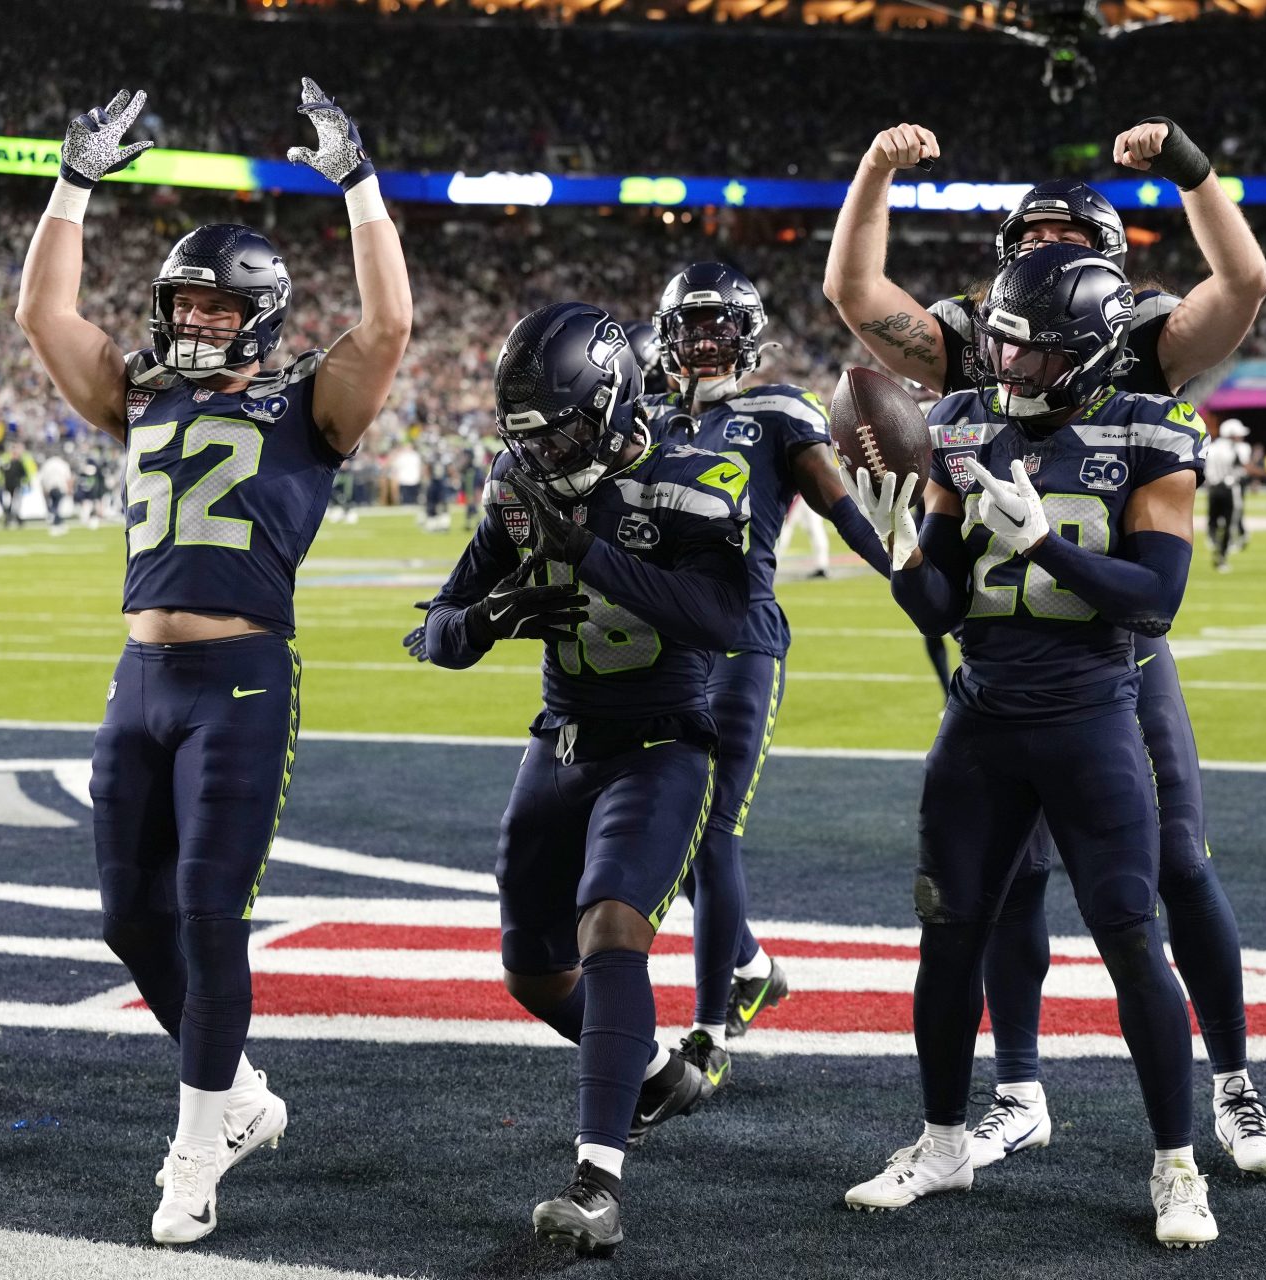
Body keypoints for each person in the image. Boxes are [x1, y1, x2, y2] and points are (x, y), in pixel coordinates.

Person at [824, 121, 1266, 1180]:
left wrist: (1193, 170)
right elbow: (855, 295)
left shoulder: (1141, 347)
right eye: (1024, 240)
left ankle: (1231, 1082)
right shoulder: (976, 350)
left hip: (1113, 657)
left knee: (1170, 866)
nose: (1039, 258)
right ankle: (1018, 1093)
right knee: (1006, 883)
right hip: (999, 660)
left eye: (1062, 240)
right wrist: (876, 169)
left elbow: (1246, 281)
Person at [14, 80, 411, 1243]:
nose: (189, 321)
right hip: (137, 680)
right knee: (127, 921)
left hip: (240, 681)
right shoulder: (135, 391)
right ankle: (236, 1096)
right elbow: (45, 315)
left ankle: (194, 1151)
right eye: (178, 301)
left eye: (209, 306)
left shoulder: (309, 406)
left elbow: (387, 329)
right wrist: (73, 184)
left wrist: (360, 185)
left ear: (261, 316)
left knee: (205, 913)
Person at [839, 244, 1224, 1246]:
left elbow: (1159, 600)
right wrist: (899, 544)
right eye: (1002, 344)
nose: (1006, 365)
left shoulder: (1151, 426)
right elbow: (937, 603)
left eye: (1032, 351)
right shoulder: (963, 421)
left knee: (1133, 935)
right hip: (982, 716)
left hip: (1093, 715)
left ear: (1091, 354)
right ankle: (943, 1139)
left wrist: (1047, 543)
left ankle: (1178, 1164)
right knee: (948, 928)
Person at [423, 303, 751, 1258]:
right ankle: (652, 1071)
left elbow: (726, 619)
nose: (544, 449)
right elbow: (437, 630)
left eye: (561, 426)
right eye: (527, 433)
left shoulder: (699, 479)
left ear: (613, 400)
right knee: (532, 970)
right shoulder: (516, 484)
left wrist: (591, 553)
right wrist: (490, 619)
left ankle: (599, 1182)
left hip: (665, 740)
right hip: (561, 738)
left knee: (613, 929)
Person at [641, 262, 892, 1071]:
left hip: (741, 641)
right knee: (663, 838)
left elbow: (838, 504)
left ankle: (712, 1031)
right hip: (656, 650)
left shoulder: (777, 409)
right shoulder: (643, 418)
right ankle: (750, 965)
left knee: (711, 836)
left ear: (748, 334)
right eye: (691, 324)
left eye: (720, 325)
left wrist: (902, 564)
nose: (704, 338)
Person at [1204, 419, 1251, 568]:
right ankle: (1222, 555)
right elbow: (1243, 469)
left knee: (1213, 522)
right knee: (1229, 524)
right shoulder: (1235, 449)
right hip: (1229, 489)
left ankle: (1215, 545)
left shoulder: (1211, 447)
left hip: (1212, 489)